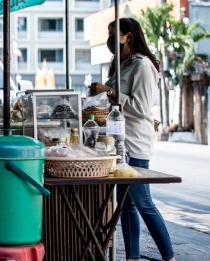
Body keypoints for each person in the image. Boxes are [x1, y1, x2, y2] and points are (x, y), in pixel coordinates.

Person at [89, 17, 176, 261]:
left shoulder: (143, 65)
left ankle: (170, 257)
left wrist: (111, 92)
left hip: (135, 142)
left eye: (114, 33)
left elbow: (141, 107)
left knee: (143, 203)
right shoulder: (121, 64)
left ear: (128, 35)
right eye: (109, 32)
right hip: (117, 142)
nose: (110, 38)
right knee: (125, 205)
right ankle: (132, 257)